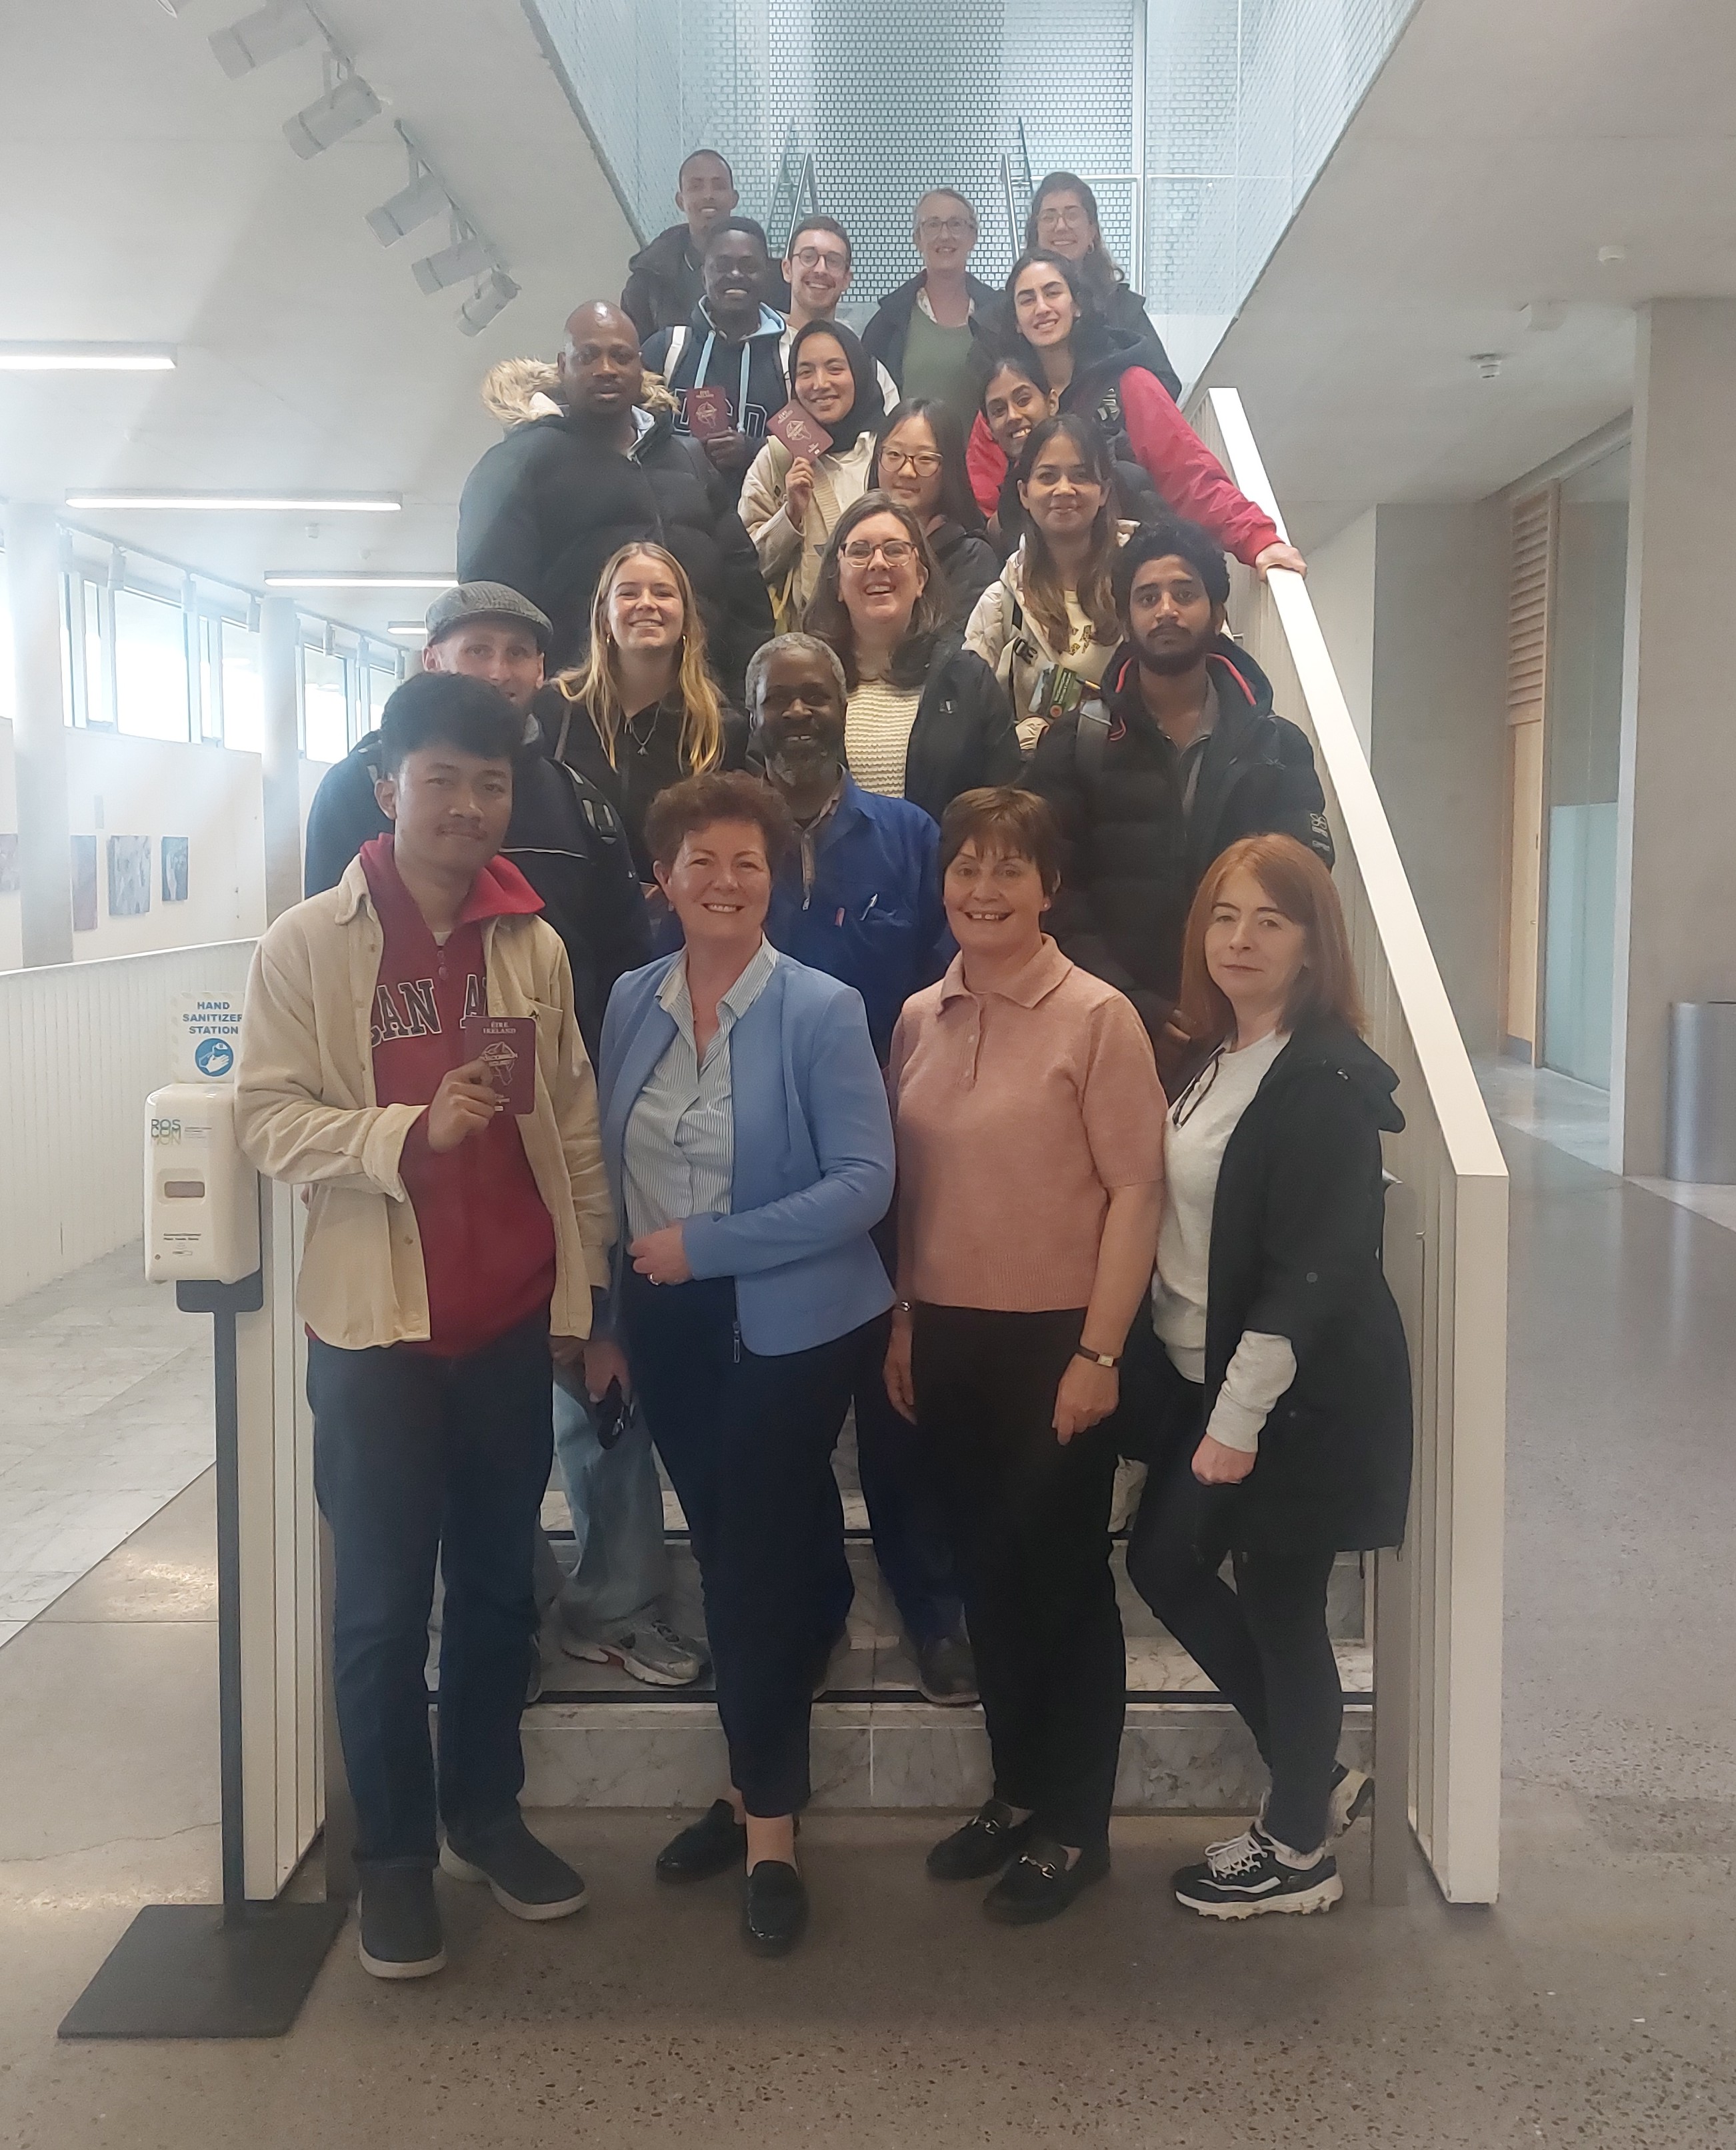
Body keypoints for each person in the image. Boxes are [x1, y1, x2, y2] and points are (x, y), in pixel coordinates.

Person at [235, 671, 615, 1980]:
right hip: (376, 1336)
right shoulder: (310, 943)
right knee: (387, 1610)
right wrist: (408, 1131)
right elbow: (268, 1120)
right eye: (442, 779)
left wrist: (584, 1301)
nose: (467, 805)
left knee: (501, 1587)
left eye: (490, 781)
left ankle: (485, 1813)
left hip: (507, 1326)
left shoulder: (535, 940)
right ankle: (394, 1858)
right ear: (389, 783)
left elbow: (568, 1126)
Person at [301, 587, 707, 1698]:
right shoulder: (353, 799)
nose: (500, 667)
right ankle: (501, 1627)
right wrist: (402, 1126)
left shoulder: (568, 790)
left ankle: (612, 1606)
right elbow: (322, 985)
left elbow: (624, 947)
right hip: (399, 1232)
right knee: (434, 1527)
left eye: (521, 653)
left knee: (595, 1391)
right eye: (475, 648)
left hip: (551, 1140)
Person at [591, 771, 896, 1956]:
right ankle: (752, 1764)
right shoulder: (629, 1000)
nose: (723, 882)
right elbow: (611, 1171)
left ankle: (766, 1826)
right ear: (660, 880)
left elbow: (862, 1186)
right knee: (727, 1546)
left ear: (780, 881)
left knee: (745, 1570)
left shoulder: (820, 1008)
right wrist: (613, 1314)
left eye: (747, 863)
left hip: (792, 1323)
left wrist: (706, 1244)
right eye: (698, 861)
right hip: (665, 1320)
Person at [885, 786, 1165, 1924]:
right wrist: (905, 1318)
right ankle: (1013, 1790)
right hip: (945, 1334)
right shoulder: (917, 1014)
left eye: (1009, 869)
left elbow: (1136, 1192)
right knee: (983, 1577)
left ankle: (1074, 1825)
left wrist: (1098, 1352)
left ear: (1049, 889)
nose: (982, 889)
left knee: (1058, 1584)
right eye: (964, 867)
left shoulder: (1097, 1016)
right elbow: (909, 1191)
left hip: (1059, 1342)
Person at [1119, 833, 1412, 1919]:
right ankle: (1313, 1778)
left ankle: (1297, 1852)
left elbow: (1310, 1274)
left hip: (1291, 1399)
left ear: (1310, 944)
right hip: (1215, 1382)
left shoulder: (1323, 1079)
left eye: (1268, 921)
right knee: (1166, 1565)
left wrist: (1234, 1417)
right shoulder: (1212, 1054)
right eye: (1222, 916)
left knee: (1283, 1607)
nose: (1239, 939)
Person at [747, 633, 973, 1700]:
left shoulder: (910, 837)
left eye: (816, 695)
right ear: (750, 711)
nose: (799, 713)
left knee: (904, 1408)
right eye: (778, 697)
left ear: (844, 707)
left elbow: (951, 991)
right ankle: (814, 1611)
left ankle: (935, 1609)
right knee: (787, 1425)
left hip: (890, 1169)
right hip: (761, 1180)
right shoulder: (726, 836)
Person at [1025, 516, 1333, 1052]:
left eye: (1184, 593)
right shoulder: (1079, 742)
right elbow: (1054, 894)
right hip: (1112, 1027)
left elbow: (1301, 891)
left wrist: (1238, 997)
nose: (1165, 609)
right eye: (1147, 597)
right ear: (1126, 617)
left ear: (1217, 612)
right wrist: (1131, 1002)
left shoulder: (1277, 748)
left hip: (1250, 1027)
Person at [456, 303, 772, 684]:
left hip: (700, 703)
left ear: (640, 366)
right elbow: (491, 605)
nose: (606, 369)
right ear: (562, 365)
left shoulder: (692, 462)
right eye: (588, 356)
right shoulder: (516, 466)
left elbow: (745, 592)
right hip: (576, 708)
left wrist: (742, 697)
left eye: (621, 357)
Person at [964, 251, 1307, 579]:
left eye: (1052, 292)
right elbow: (981, 512)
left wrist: (1258, 540)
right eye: (1027, 299)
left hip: (1127, 585)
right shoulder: (1005, 410)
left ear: (1077, 304)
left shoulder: (1131, 384)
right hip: (1036, 594)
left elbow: (1190, 477)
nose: (1041, 308)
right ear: (1016, 322)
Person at [803, 491, 1021, 822]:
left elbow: (1005, 808)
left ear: (921, 579)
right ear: (837, 582)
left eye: (895, 550)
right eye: (860, 552)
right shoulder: (802, 682)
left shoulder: (967, 680)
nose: (879, 563)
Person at [549, 541, 750, 887]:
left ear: (686, 617)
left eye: (663, 593)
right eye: (628, 593)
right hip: (570, 921)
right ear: (604, 618)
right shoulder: (556, 711)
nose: (646, 604)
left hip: (676, 926)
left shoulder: (722, 730)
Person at [964, 413, 1131, 752]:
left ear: (1104, 492)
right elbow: (970, 717)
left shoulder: (1150, 581)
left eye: (1081, 476)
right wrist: (1021, 740)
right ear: (1024, 493)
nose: (1064, 489)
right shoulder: (999, 605)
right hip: (1036, 789)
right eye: (1047, 476)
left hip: (1133, 784)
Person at [739, 319, 885, 623]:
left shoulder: (889, 452)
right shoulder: (777, 458)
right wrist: (790, 515)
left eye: (835, 368)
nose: (820, 384)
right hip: (806, 643)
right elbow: (745, 568)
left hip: (884, 635)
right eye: (805, 372)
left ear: (858, 372)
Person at [641, 219, 789, 498]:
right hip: (675, 522)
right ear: (703, 275)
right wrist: (686, 451)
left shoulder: (789, 357)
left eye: (749, 266)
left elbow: (810, 447)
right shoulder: (667, 349)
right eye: (722, 265)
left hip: (762, 524)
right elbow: (629, 431)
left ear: (767, 275)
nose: (735, 275)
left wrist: (753, 449)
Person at [973, 345, 1161, 555]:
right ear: (989, 427)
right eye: (998, 410)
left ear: (1052, 402)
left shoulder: (1120, 477)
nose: (1013, 416)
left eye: (1023, 400)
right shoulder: (1007, 510)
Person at [1025, 170, 1181, 399]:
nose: (1060, 226)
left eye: (1072, 214)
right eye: (1049, 216)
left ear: (1092, 232)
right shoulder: (1010, 310)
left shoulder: (1123, 307)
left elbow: (1164, 384)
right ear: (1035, 233)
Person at [861, 189, 998, 425]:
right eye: (933, 225)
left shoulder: (998, 314)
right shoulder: (889, 322)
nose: (945, 235)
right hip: (909, 459)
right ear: (918, 239)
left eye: (956, 224)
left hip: (984, 460)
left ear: (973, 237)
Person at [620, 149, 790, 338]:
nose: (708, 195)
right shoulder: (648, 281)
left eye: (719, 186)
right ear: (680, 200)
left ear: (734, 198)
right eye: (696, 187)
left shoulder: (774, 279)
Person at [869, 397, 1000, 621]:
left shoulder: (971, 558)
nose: (907, 471)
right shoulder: (855, 548)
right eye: (894, 455)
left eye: (925, 459)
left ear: (949, 468)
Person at [777, 214, 899, 405]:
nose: (820, 270)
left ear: (846, 279)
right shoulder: (761, 354)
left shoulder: (870, 371)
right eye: (809, 257)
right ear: (787, 269)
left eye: (833, 261)